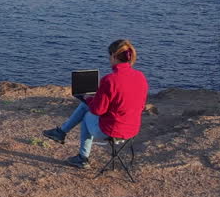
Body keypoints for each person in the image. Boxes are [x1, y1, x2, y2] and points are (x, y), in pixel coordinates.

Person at [43, 39, 149, 169]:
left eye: (109, 56)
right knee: (86, 106)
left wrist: (88, 99)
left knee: (87, 113)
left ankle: (81, 156)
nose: (109, 59)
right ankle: (61, 133)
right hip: (132, 129)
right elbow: (140, 106)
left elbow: (98, 111)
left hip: (112, 130)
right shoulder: (140, 76)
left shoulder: (109, 80)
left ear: (114, 56)